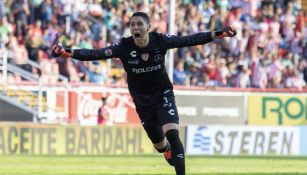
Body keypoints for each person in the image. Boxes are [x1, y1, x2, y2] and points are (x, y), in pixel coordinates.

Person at [51, 11, 236, 175]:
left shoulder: (160, 41)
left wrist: (217, 34)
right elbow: (95, 54)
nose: (136, 27)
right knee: (160, 146)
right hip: (142, 102)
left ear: (148, 27)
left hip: (162, 94)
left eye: (140, 24)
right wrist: (66, 52)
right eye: (132, 24)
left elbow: (188, 40)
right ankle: (167, 150)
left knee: (172, 133)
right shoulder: (124, 46)